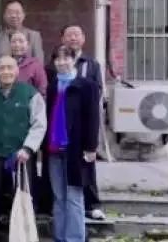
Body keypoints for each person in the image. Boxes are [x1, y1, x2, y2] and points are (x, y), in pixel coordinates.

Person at [0, 56, 46, 241]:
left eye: (10, 68)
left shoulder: (30, 93)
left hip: (21, 155)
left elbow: (39, 124)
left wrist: (28, 148)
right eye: (2, 68)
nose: (6, 72)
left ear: (17, 71)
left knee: (22, 196)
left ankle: (21, 234)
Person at [45, 45, 100, 242]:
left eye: (66, 58)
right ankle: (60, 237)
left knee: (74, 196)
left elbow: (93, 118)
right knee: (58, 197)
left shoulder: (87, 86)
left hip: (76, 150)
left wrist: (91, 147)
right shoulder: (53, 86)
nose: (62, 63)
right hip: (53, 149)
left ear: (74, 59)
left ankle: (74, 238)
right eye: (58, 59)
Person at [61, 24, 105, 220]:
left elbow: (98, 90)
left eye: (76, 34)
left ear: (83, 39)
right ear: (63, 39)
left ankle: (93, 204)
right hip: (63, 123)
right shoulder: (58, 61)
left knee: (87, 165)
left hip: (84, 122)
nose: (73, 38)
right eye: (69, 35)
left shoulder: (91, 63)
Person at [10, 30, 48, 98]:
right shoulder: (5, 63)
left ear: (27, 45)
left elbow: (42, 90)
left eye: (21, 41)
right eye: (13, 41)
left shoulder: (35, 65)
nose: (17, 45)